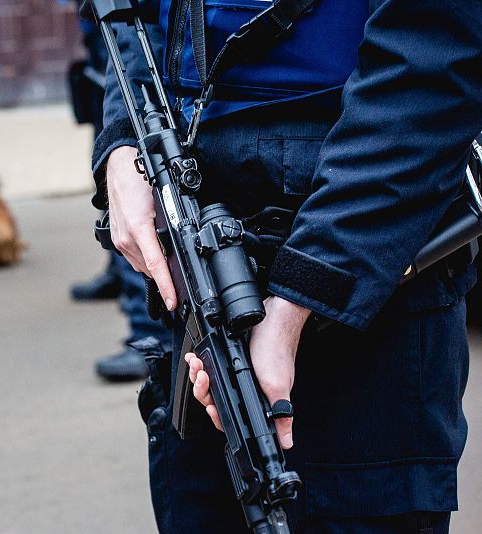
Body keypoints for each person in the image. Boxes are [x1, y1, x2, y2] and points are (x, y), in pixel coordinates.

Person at [93, 0, 482, 531]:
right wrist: (122, 145)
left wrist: (297, 299)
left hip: (360, 270)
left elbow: (431, 69)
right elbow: (130, 22)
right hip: (194, 248)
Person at [66, 0, 172, 379]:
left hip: (145, 43)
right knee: (117, 171)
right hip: (110, 40)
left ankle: (149, 336)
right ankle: (122, 275)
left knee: (140, 194)